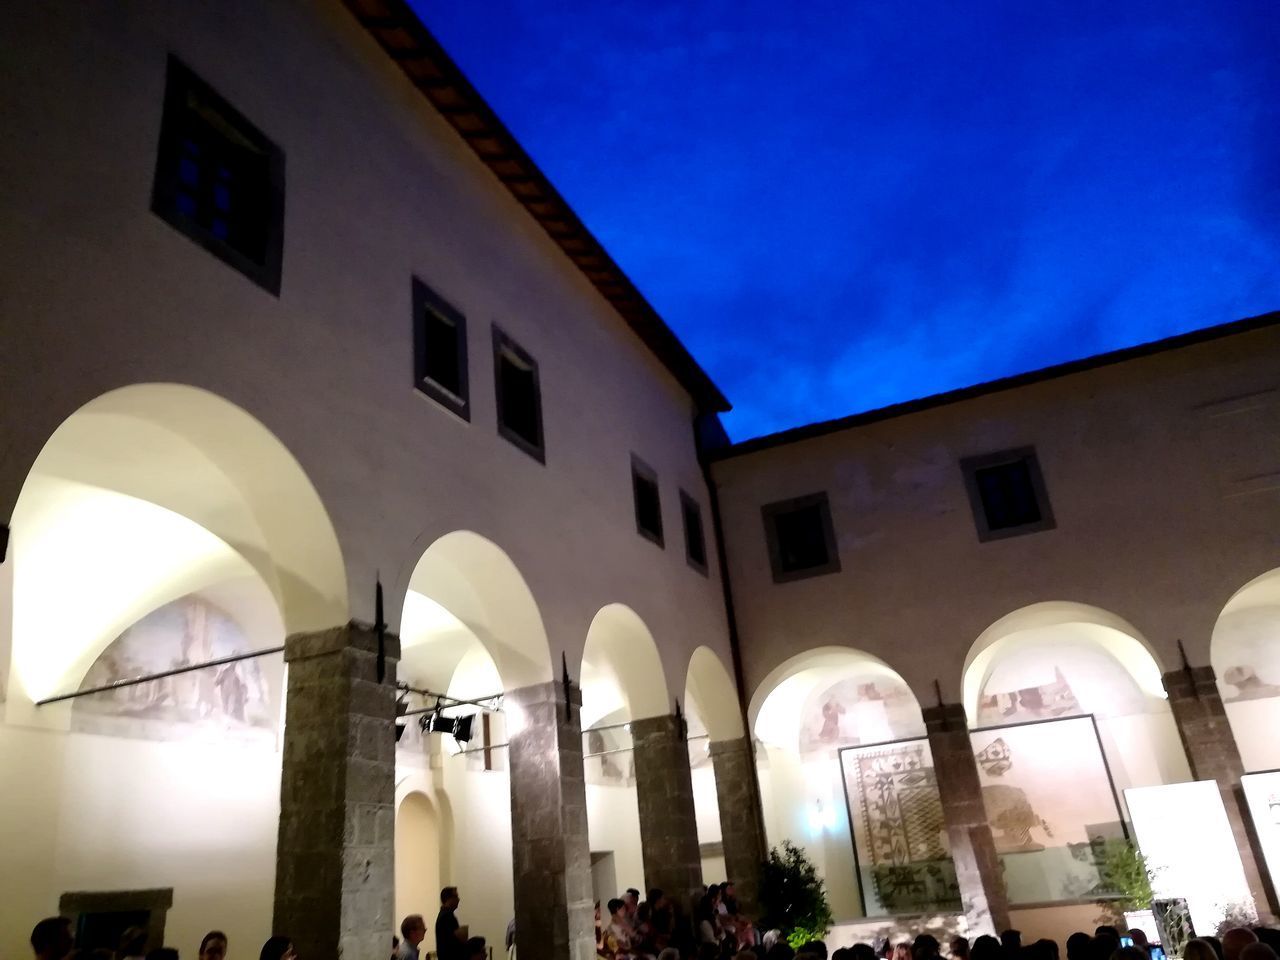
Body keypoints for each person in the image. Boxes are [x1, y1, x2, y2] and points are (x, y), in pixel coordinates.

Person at [437, 887, 468, 960]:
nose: (458, 899)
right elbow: (453, 943)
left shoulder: (445, 914)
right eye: (456, 896)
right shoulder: (447, 916)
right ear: (449, 899)